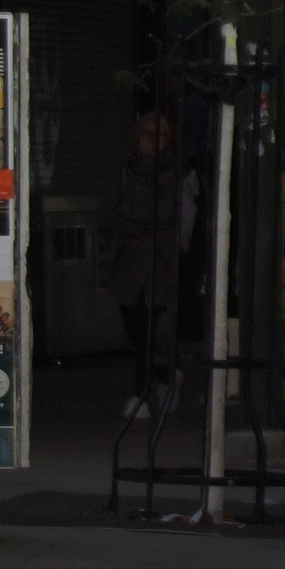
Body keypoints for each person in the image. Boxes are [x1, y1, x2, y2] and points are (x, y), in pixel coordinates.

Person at [100, 109, 181, 419]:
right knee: (134, 331)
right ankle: (160, 376)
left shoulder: (172, 173)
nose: (156, 142)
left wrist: (134, 215)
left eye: (162, 136)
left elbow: (162, 213)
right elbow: (109, 214)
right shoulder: (123, 172)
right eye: (150, 135)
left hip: (157, 265)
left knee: (148, 330)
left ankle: (143, 391)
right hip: (127, 265)